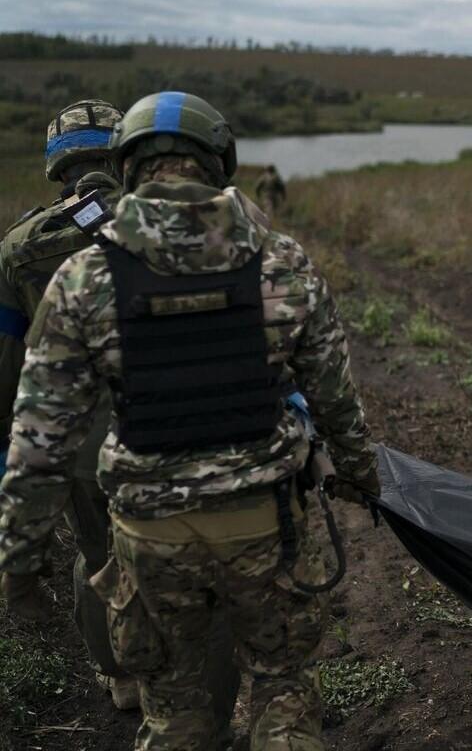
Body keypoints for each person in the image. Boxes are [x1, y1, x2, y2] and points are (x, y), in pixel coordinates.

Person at [0, 90, 379, 749]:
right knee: (283, 687)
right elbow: (335, 400)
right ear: (219, 160)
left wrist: (19, 561)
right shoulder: (282, 261)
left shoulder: (85, 278)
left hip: (148, 535)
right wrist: (359, 477)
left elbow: (40, 442)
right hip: (265, 525)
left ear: (128, 167)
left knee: (172, 703)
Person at [0, 99, 139, 707]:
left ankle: (123, 676)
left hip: (77, 435)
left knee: (98, 552)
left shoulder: (19, 247)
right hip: (169, 422)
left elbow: (9, 363)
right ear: (122, 153)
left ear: (57, 165)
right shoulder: (166, 221)